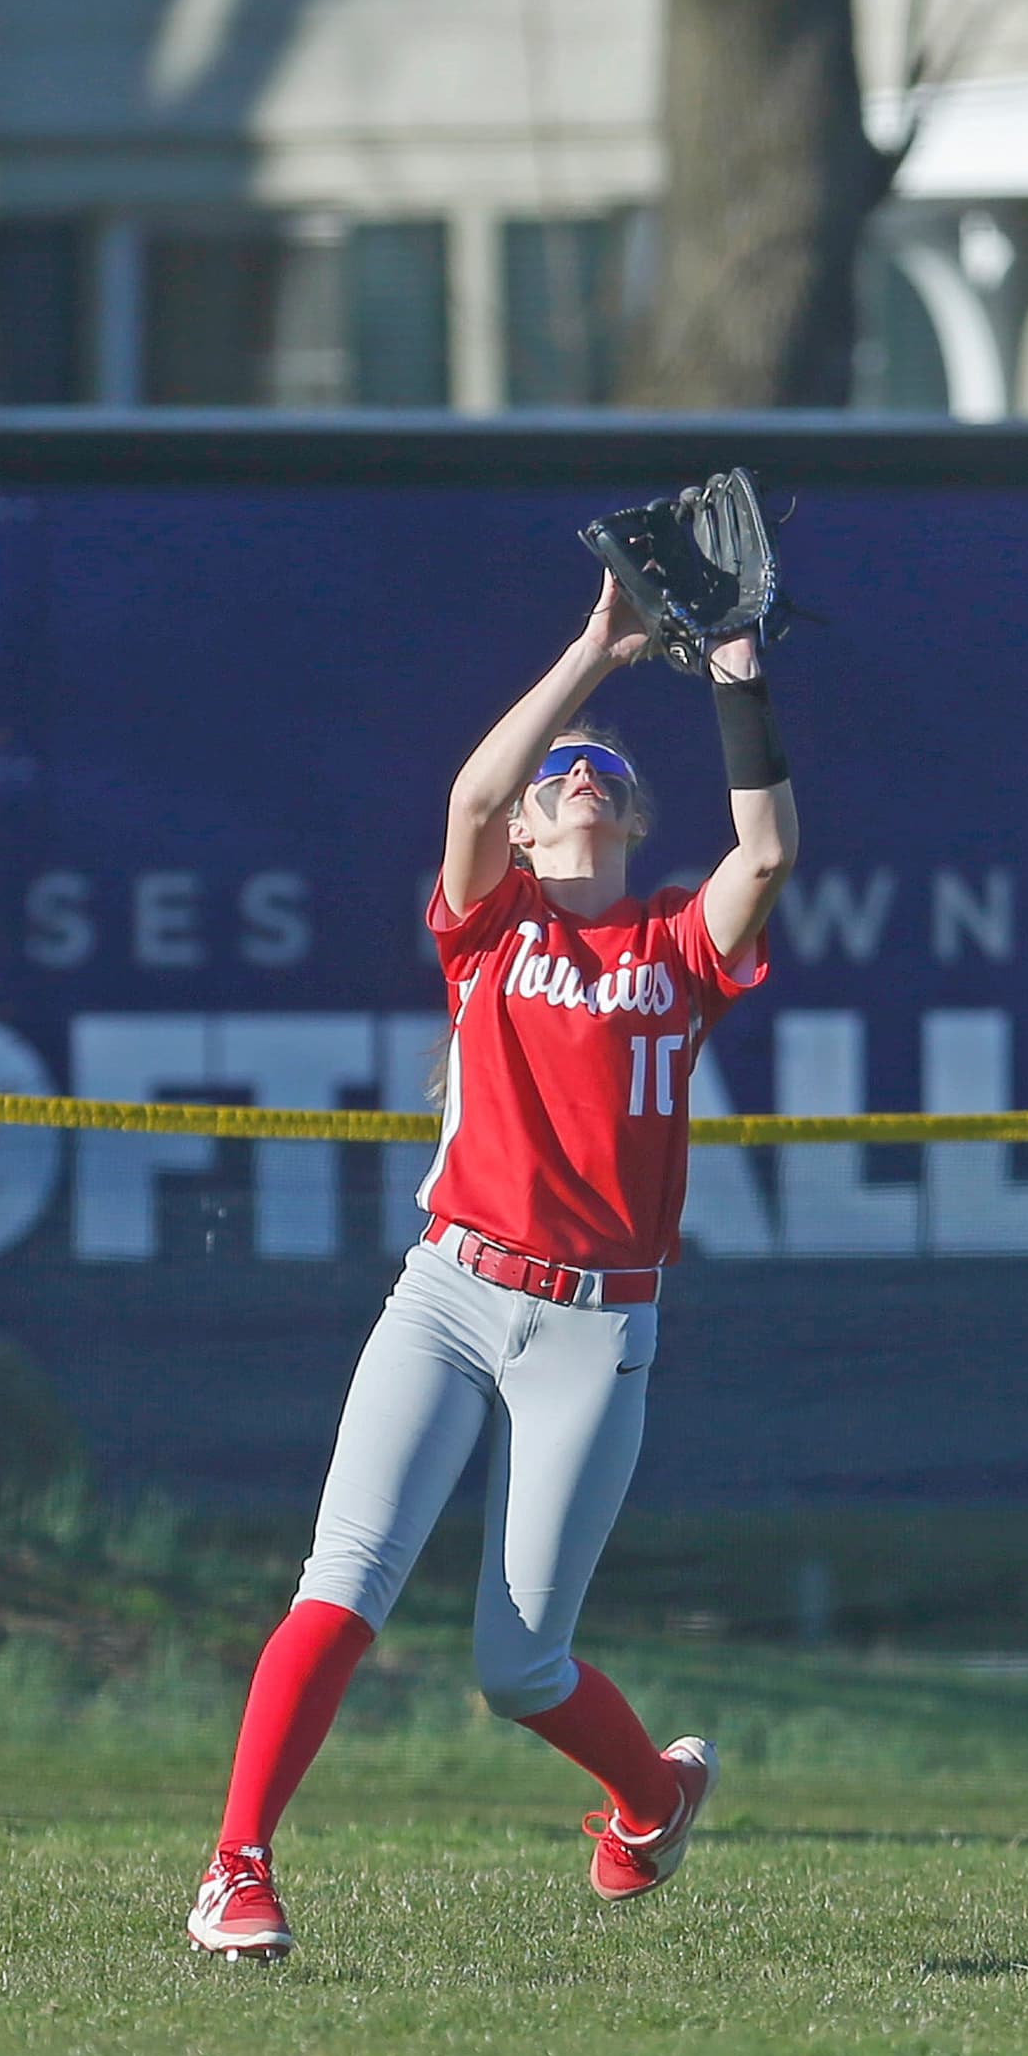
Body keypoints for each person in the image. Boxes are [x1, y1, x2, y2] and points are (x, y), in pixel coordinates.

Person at [189, 572, 794, 1958]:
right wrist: (597, 650)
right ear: (528, 824)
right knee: (340, 1583)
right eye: (556, 775)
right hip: (451, 1293)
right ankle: (235, 1869)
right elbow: (467, 803)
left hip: (595, 1332)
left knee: (518, 1666)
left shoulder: (672, 949)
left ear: (633, 821)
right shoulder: (490, 928)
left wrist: (740, 673)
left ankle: (653, 1799)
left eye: (602, 775)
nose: (576, 778)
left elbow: (762, 858)